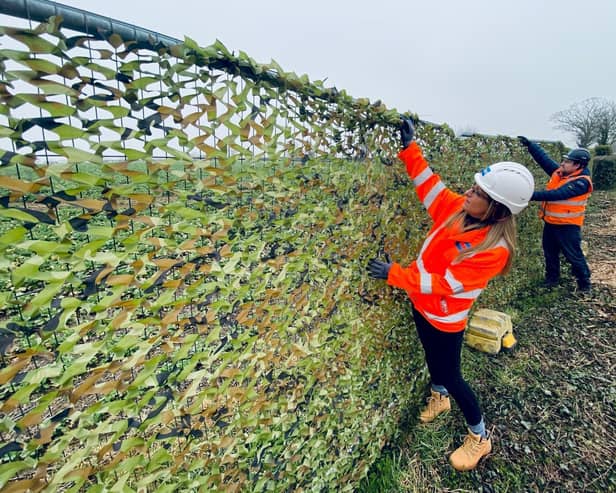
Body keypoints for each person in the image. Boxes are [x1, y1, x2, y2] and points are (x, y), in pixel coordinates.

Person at [367, 117, 534, 471]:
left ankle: (480, 436)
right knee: (433, 360)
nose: (468, 194)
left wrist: (395, 274)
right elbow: (431, 189)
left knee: (452, 374)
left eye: (477, 194)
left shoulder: (494, 249)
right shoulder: (462, 210)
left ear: (495, 209)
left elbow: (445, 283)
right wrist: (410, 150)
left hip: (444, 317)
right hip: (422, 305)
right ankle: (438, 398)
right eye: (473, 188)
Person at [518, 136, 593, 292]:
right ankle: (552, 279)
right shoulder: (561, 173)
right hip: (551, 223)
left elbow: (556, 194)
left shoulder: (582, 182)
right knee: (550, 252)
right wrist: (531, 146)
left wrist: (527, 194)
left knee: (573, 255)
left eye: (567, 162)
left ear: (577, 165)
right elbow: (544, 160)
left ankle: (584, 283)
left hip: (568, 227)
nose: (562, 163)